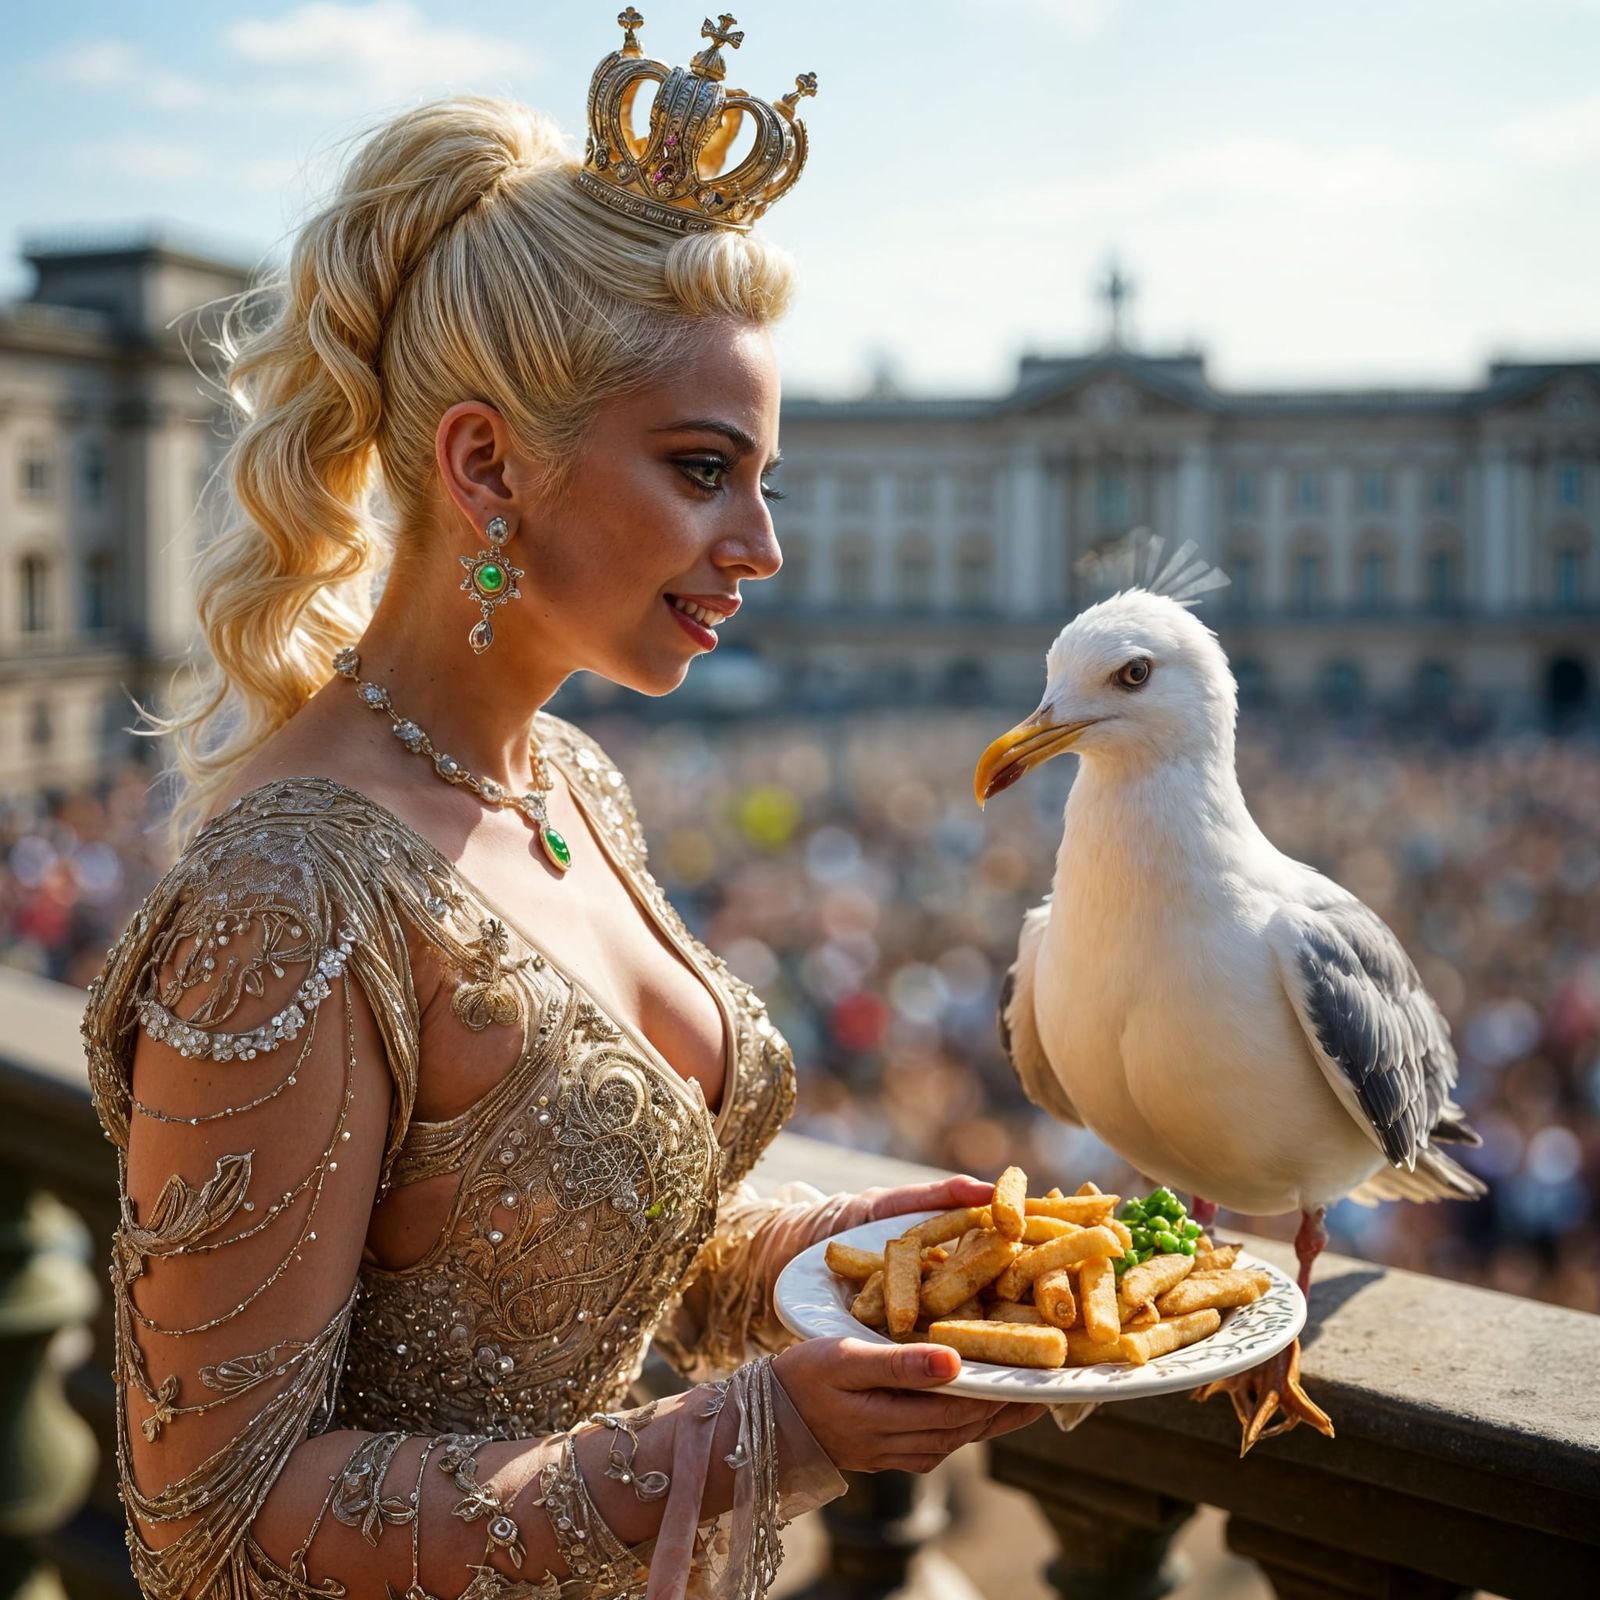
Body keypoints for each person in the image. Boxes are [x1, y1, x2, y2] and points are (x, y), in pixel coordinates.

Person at [80, 17, 1046, 1600]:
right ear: (486, 467)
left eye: (766, 479)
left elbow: (572, 1251)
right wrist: (758, 1437)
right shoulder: (290, 895)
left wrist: (826, 1255)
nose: (762, 545)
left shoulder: (569, 780)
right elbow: (219, 1530)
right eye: (704, 468)